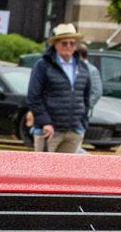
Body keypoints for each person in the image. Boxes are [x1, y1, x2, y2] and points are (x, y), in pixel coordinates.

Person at [27, 23, 89, 153]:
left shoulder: (82, 67)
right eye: (64, 43)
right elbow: (34, 96)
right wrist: (45, 122)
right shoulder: (43, 65)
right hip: (49, 130)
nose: (68, 46)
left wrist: (83, 123)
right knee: (44, 166)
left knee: (66, 166)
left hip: (74, 130)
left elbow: (86, 97)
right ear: (55, 44)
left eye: (72, 43)